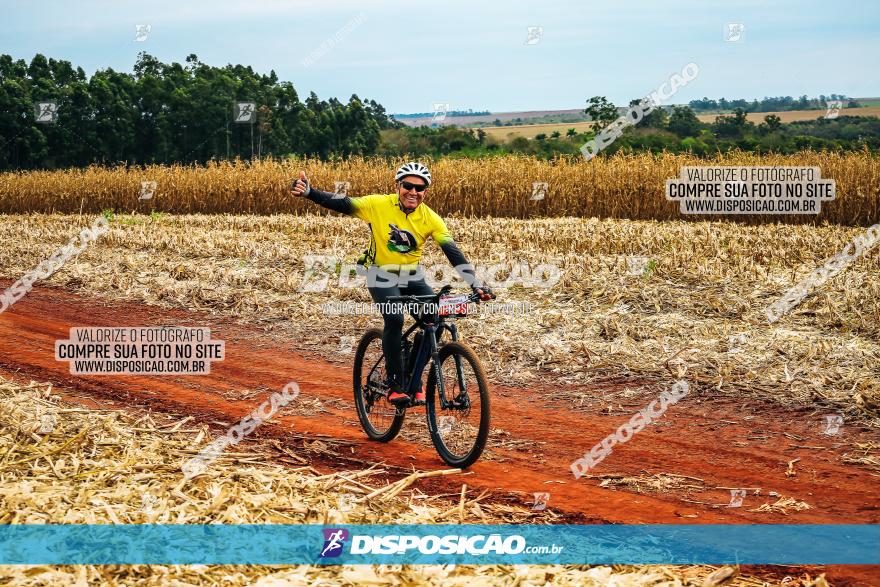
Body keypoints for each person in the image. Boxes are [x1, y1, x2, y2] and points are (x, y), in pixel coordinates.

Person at [291, 162, 493, 405]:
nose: (413, 192)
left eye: (420, 188)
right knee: (395, 318)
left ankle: (414, 376)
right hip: (378, 272)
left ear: (425, 192)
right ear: (398, 186)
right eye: (408, 186)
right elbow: (344, 203)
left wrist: (475, 284)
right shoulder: (378, 205)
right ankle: (396, 385)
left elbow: (452, 252)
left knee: (436, 321)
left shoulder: (431, 218)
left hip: (411, 275)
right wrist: (311, 193)